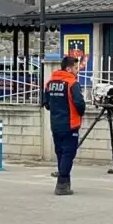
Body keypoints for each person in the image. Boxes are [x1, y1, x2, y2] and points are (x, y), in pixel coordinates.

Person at [43, 56, 86, 196]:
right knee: (68, 154)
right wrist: (80, 113)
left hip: (55, 124)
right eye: (75, 68)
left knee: (61, 153)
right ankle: (62, 184)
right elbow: (79, 103)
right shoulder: (72, 83)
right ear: (68, 68)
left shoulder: (50, 83)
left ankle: (65, 183)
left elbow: (46, 103)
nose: (77, 71)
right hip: (70, 124)